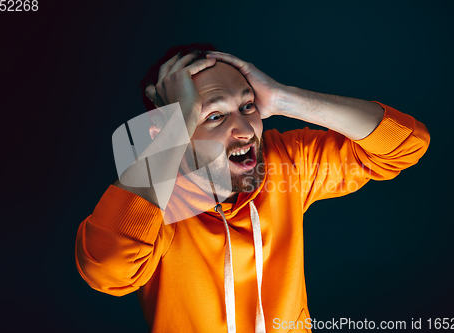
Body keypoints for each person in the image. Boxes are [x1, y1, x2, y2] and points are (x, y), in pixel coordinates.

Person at [75, 43, 430, 332]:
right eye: (214, 115)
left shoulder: (285, 160)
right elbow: (107, 270)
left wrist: (282, 97)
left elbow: (405, 145)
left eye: (247, 105)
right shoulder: (149, 200)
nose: (245, 128)